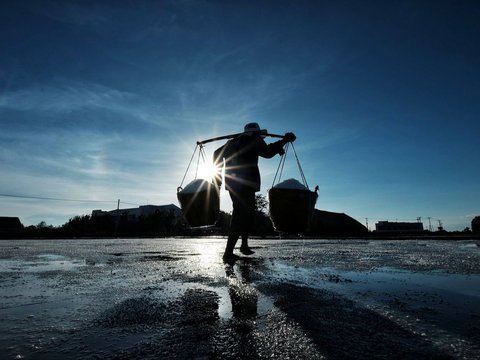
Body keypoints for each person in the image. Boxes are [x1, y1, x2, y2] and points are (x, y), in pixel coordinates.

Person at [213, 122, 296, 264]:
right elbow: (268, 152)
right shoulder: (254, 140)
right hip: (246, 183)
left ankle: (244, 246)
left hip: (232, 183)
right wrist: (284, 140)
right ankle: (228, 253)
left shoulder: (233, 142)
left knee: (246, 213)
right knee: (241, 214)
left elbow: (216, 154)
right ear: (256, 133)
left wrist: (218, 179)